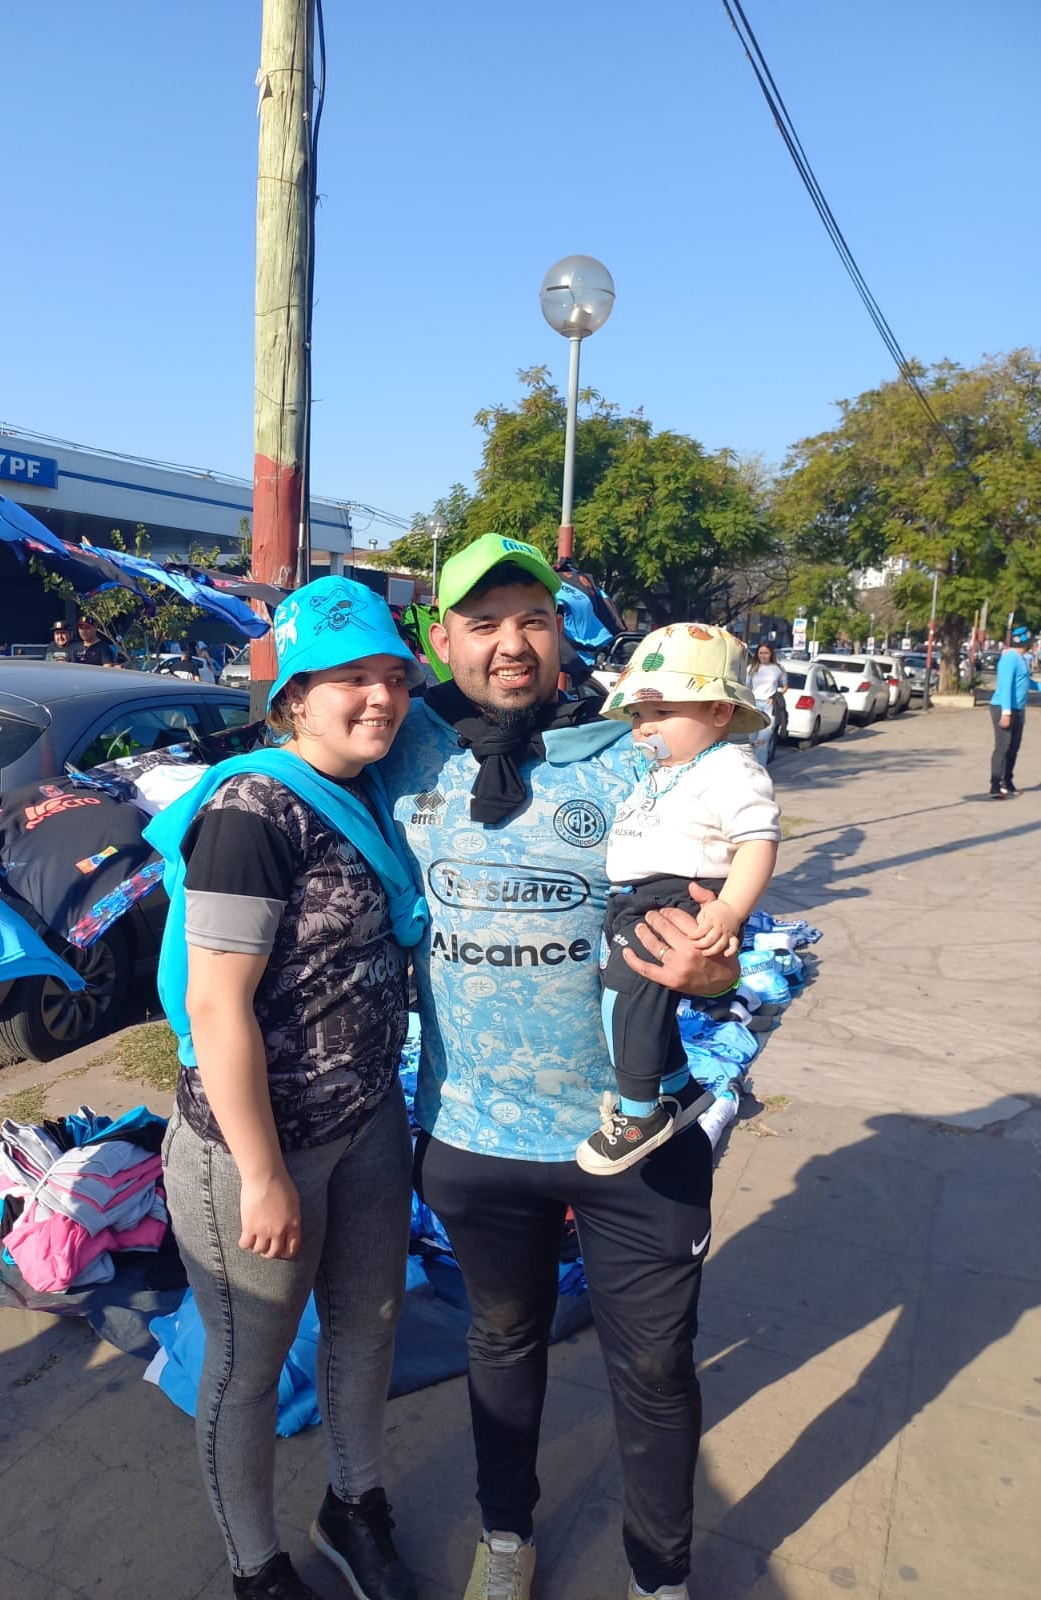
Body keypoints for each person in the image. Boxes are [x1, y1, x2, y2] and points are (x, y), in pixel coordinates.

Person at [377, 534, 742, 1600]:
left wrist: (713, 972)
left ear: (562, 630)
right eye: (481, 623)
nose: (509, 644)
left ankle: (659, 1576)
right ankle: (505, 1536)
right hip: (475, 1134)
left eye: (530, 617)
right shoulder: (407, 747)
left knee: (657, 1366)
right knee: (501, 1337)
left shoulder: (635, 752)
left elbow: (715, 927)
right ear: (442, 639)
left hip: (634, 1132)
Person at [157, 576, 425, 1600]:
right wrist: (265, 1175)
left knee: (371, 1324)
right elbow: (217, 1006)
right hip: (252, 1148)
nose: (379, 697)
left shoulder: (371, 786)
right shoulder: (250, 808)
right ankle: (255, 1567)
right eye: (348, 677)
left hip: (366, 1123)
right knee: (248, 1364)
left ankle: (355, 1508)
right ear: (295, 695)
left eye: (392, 675)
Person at [576, 624, 779, 1176]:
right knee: (641, 1000)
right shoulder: (664, 770)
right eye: (639, 716)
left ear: (718, 711)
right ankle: (676, 1088)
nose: (645, 727)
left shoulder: (729, 767)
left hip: (676, 900)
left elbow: (758, 841)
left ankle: (639, 1111)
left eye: (662, 712)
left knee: (628, 998)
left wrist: (730, 908)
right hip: (635, 898)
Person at [988, 624, 1032, 798]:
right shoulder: (1010, 659)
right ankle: (995, 785)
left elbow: (1026, 682)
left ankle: (1008, 781)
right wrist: (1006, 712)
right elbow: (1005, 687)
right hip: (1003, 707)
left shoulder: (1023, 660)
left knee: (1014, 747)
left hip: (1018, 708)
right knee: (1003, 746)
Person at [747, 642, 787, 751]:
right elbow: (746, 686)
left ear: (771, 654)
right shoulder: (751, 668)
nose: (763, 656)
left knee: (762, 741)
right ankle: (751, 766)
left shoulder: (778, 669)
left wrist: (775, 696)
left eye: (766, 653)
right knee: (751, 740)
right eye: (760, 653)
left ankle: (760, 766)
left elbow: (785, 686)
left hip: (769, 706)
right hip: (754, 705)